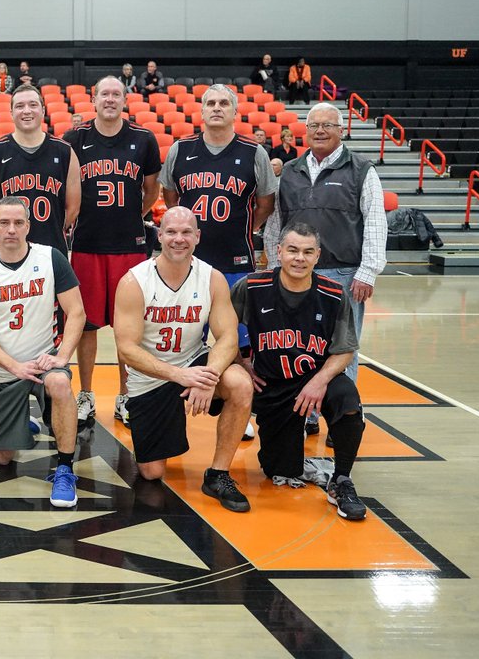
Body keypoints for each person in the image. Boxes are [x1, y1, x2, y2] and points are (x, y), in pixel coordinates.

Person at [112, 207, 254, 512]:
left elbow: (228, 337)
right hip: (151, 376)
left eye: (187, 232)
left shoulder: (212, 278)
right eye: (171, 232)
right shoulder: (134, 282)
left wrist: (209, 375)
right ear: (159, 235)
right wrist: (180, 376)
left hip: (194, 361)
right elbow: (126, 349)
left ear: (197, 237)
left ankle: (218, 474)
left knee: (240, 383)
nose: (179, 239)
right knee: (151, 473)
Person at [232, 223, 368, 520]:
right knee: (278, 469)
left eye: (308, 252)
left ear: (318, 256)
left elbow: (345, 349)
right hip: (270, 385)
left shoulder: (333, 294)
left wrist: (319, 382)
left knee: (348, 402)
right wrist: (241, 361)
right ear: (278, 252)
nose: (299, 258)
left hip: (315, 380)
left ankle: (341, 481)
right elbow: (224, 330)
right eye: (292, 250)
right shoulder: (251, 287)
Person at [0, 197, 87, 508]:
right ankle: (20, 420)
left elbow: (77, 312)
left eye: (19, 223)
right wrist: (14, 366)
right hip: (3, 371)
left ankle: (64, 468)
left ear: (28, 226)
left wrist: (62, 356)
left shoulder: (51, 258)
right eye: (4, 223)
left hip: (45, 362)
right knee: (3, 459)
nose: (11, 230)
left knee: (59, 383)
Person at [263, 102, 387, 391]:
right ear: (305, 131)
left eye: (328, 125)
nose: (320, 131)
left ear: (341, 131)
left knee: (342, 349)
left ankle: (343, 413)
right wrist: (273, 266)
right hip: (294, 275)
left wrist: (368, 271)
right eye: (314, 126)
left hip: (344, 274)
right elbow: (275, 225)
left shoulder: (361, 170)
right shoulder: (291, 171)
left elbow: (376, 221)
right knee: (298, 344)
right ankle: (307, 414)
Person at [62, 76, 161, 428]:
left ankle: (126, 394)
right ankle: (86, 393)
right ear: (93, 98)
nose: (110, 99)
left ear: (125, 99)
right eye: (104, 93)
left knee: (128, 329)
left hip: (129, 246)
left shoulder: (143, 139)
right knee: (86, 326)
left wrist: (133, 217)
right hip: (87, 245)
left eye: (116, 94)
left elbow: (151, 191)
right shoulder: (75, 139)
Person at [160, 83, 276, 290]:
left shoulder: (255, 153)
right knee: (192, 323)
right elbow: (171, 199)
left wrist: (245, 227)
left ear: (235, 112)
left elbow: (266, 205)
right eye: (210, 103)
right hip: (188, 259)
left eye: (224, 103)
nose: (216, 108)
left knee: (233, 322)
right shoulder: (179, 149)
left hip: (236, 257)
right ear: (202, 111)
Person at [0, 83, 80, 255]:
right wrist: (6, 233)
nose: (27, 111)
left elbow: (73, 209)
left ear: (43, 110)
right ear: (11, 113)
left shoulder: (65, 152)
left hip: (51, 251)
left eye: (33, 105)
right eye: (20, 106)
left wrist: (51, 229)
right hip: (7, 254)